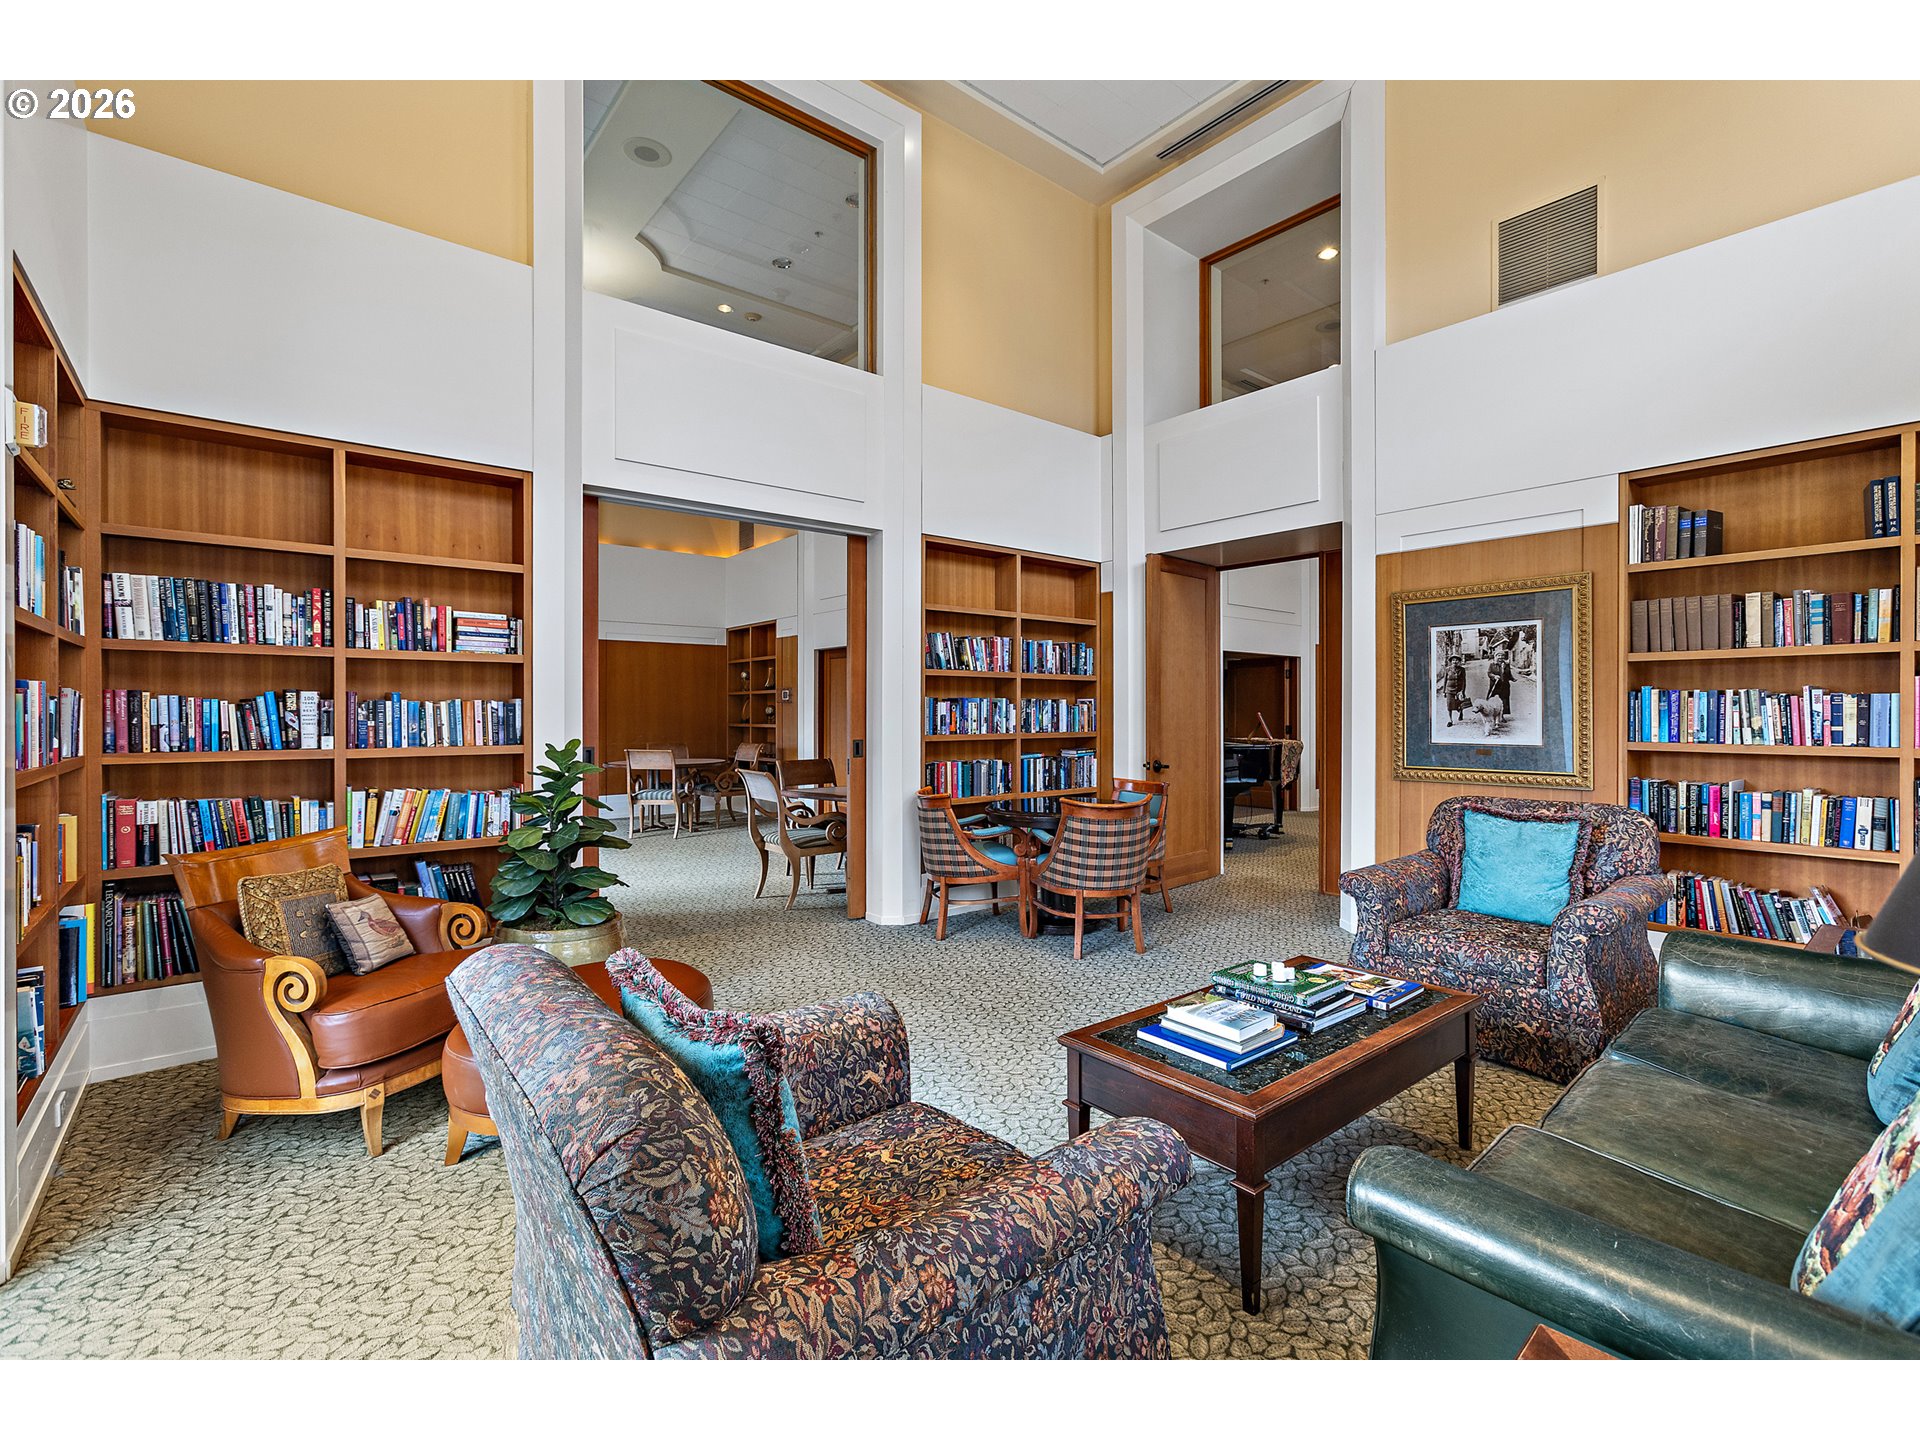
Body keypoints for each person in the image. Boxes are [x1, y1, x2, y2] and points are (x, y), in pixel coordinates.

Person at [1440, 653, 1468, 726]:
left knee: (1459, 703)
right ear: (1451, 661)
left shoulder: (1462, 669)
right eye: (1453, 660)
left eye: (1456, 660)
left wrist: (1462, 691)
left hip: (1459, 690)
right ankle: (1450, 720)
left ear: (1458, 661)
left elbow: (1464, 681)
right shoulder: (1447, 669)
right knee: (1449, 704)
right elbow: (1445, 680)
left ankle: (1461, 712)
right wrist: (1444, 691)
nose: (1454, 662)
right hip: (1449, 689)